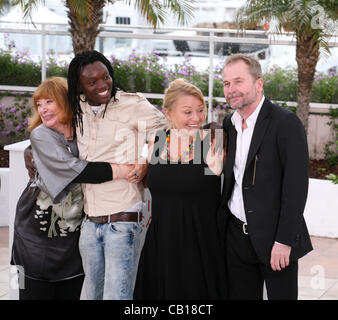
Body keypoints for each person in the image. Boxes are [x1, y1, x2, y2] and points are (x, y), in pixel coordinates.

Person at [11, 77, 133, 300]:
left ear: (66, 101)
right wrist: (120, 171)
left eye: (50, 102)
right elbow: (78, 170)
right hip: (30, 242)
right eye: (39, 104)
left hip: (70, 243)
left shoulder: (85, 132)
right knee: (26, 292)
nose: (43, 109)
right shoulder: (40, 135)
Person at [68, 50, 167, 300]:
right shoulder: (76, 107)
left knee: (117, 295)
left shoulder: (131, 103)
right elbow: (53, 126)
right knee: (92, 295)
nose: (103, 85)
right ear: (80, 85)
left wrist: (146, 159)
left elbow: (164, 131)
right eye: (93, 82)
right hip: (90, 221)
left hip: (122, 218)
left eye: (106, 77)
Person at [220, 53, 313, 300]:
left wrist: (284, 240)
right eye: (226, 84)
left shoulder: (286, 123)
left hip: (275, 241)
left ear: (259, 84)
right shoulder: (229, 123)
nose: (231, 89)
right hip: (236, 239)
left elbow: (296, 187)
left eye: (238, 81)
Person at [133, 78, 228, 300]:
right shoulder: (156, 142)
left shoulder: (213, 141)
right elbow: (145, 180)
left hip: (200, 246)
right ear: (167, 113)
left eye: (200, 110)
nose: (196, 118)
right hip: (161, 244)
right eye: (187, 112)